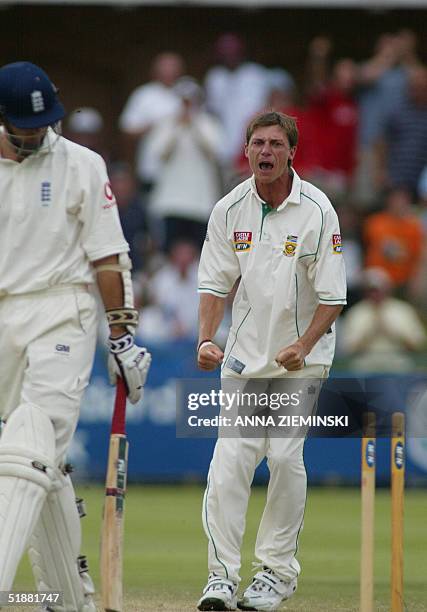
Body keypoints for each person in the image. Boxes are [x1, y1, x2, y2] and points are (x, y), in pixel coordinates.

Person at [0, 61, 151, 610]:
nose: (36, 134)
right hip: (4, 317)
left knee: (30, 446)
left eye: (43, 124)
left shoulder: (82, 164)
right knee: (44, 467)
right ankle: (70, 600)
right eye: (23, 126)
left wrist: (123, 336)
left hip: (63, 309)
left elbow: (108, 257)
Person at [196, 111, 346, 611]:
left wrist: (302, 345)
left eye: (275, 144)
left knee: (283, 457)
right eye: (257, 142)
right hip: (243, 358)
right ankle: (220, 576)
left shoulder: (318, 210)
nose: (265, 151)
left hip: (300, 361)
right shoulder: (228, 209)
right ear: (246, 150)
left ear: (291, 152)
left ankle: (276, 574)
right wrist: (204, 339)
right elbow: (215, 283)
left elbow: (333, 296)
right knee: (230, 463)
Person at [119, 52, 185, 194]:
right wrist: (152, 127)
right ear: (155, 71)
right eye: (165, 68)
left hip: (182, 169)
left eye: (173, 68)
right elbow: (127, 129)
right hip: (152, 167)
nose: (169, 72)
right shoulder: (144, 95)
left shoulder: (186, 92)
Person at [341, 267, 426, 373]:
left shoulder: (403, 310)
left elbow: (419, 344)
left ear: (388, 289)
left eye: (379, 290)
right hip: (365, 368)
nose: (376, 294)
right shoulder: (356, 313)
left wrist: (394, 332)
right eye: (372, 290)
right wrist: (369, 333)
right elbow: (346, 350)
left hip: (398, 366)